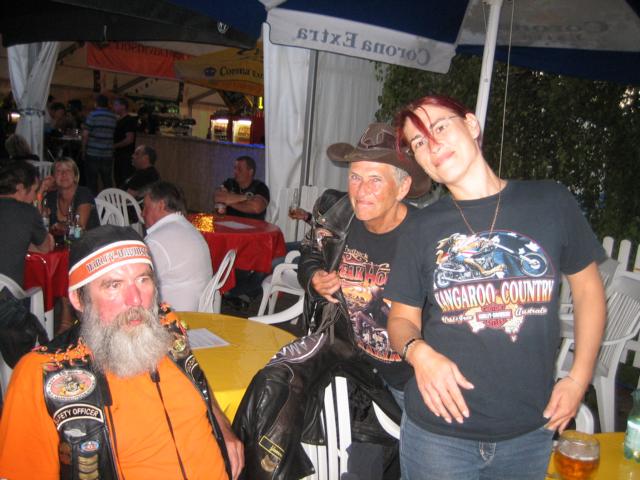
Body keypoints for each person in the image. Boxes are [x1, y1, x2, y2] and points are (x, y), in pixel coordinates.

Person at [384, 94, 607, 479]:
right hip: (438, 435)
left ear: (471, 125)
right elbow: (401, 319)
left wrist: (578, 378)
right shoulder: (420, 228)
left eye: (440, 127)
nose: (432, 145)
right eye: (419, 142)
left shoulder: (549, 201)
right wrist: (420, 354)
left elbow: (588, 292)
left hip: (529, 432)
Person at [0, 225, 244, 479]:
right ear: (79, 300)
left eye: (143, 280)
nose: (135, 299)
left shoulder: (167, 327)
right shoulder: (41, 375)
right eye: (114, 285)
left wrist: (223, 426)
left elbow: (197, 380)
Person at [298, 122, 431, 407]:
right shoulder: (339, 216)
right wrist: (314, 276)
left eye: (375, 180)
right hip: (349, 367)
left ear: (402, 187)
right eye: (355, 177)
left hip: (409, 381)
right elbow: (310, 252)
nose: (361, 191)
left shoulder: (427, 235)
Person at [143, 181, 213, 311]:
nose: (142, 214)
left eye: (146, 207)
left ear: (161, 205)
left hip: (174, 317)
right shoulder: (188, 228)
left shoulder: (157, 240)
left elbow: (139, 285)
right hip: (200, 311)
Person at [0, 161, 54, 284]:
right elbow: (46, 248)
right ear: (20, 188)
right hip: (7, 292)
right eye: (34, 191)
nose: (34, 198)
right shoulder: (27, 212)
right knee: (38, 290)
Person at [44, 157, 99, 243]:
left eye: (68, 170)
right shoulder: (51, 195)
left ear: (75, 176)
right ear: (53, 177)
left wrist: (59, 226)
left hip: (88, 245)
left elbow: (79, 228)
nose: (64, 174)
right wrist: (41, 189)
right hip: (61, 245)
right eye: (58, 171)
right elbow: (38, 221)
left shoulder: (83, 193)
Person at [214, 155, 269, 220]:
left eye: (239, 169)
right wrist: (246, 198)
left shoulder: (260, 186)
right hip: (230, 224)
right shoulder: (230, 183)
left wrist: (229, 201)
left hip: (251, 225)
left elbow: (256, 208)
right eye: (235, 168)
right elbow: (218, 197)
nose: (235, 172)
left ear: (250, 172)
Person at [82, 94, 117, 194]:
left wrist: (83, 150)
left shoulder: (92, 115)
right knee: (107, 180)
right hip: (107, 153)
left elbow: (85, 135)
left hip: (92, 152)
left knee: (92, 181)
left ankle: (93, 201)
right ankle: (109, 199)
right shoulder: (113, 117)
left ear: (96, 103)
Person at [112, 97, 137, 187]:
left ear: (123, 106)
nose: (114, 107)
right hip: (119, 155)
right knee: (118, 180)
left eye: (116, 105)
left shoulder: (129, 120)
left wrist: (114, 146)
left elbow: (129, 139)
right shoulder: (119, 120)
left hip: (126, 156)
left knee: (124, 181)